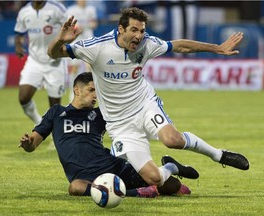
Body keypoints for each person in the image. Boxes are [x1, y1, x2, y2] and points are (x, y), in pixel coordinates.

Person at [47, 7, 249, 188]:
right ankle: (172, 167)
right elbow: (54, 54)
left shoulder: (148, 44)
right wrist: (59, 40)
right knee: (153, 178)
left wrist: (217, 48)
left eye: (142, 30)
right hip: (120, 124)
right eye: (134, 30)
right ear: (121, 29)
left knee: (173, 140)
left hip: (144, 105)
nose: (139, 36)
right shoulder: (97, 47)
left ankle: (219, 155)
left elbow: (179, 46)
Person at [18, 72, 193, 197]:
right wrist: (27, 144)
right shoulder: (56, 113)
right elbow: (32, 144)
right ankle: (137, 193)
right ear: (77, 90)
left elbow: (131, 119)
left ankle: (171, 167)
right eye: (91, 90)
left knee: (174, 187)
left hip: (114, 167)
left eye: (97, 91)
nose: (95, 96)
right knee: (75, 188)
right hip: (84, 177)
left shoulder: (102, 113)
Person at [14, 0, 68, 125]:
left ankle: (57, 135)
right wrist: (18, 46)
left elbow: (70, 28)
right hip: (34, 60)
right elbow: (19, 33)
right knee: (23, 98)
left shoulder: (57, 8)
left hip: (55, 61)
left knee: (54, 105)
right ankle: (39, 123)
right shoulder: (24, 12)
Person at [66, 0, 98, 102]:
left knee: (89, 68)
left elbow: (94, 24)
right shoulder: (71, 10)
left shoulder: (91, 9)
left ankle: (89, 93)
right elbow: (69, 25)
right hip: (76, 41)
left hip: (89, 41)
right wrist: (76, 27)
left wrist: (86, 26)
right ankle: (73, 93)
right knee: (75, 67)